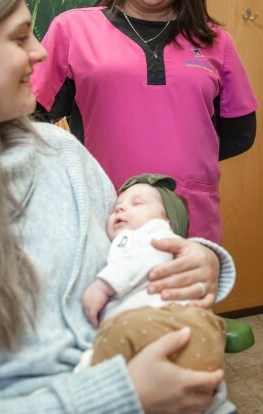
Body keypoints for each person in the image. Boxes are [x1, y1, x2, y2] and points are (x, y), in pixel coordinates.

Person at [0, 0, 237, 413]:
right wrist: (121, 395)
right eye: (19, 38)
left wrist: (197, 262)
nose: (39, 51)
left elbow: (127, 244)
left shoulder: (63, 154)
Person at [31, 0, 258, 243]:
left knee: (182, 298)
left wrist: (184, 163)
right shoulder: (72, 30)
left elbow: (240, 133)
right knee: (102, 297)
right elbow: (32, 120)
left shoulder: (214, 41)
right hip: (105, 217)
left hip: (189, 222)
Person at [80, 174, 229, 414]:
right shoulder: (125, 242)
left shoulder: (154, 234)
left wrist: (104, 285)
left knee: (111, 341)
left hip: (162, 318)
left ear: (167, 221)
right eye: (119, 204)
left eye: (136, 203)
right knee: (194, 389)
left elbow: (145, 257)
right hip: (168, 327)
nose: (120, 206)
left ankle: (87, 373)